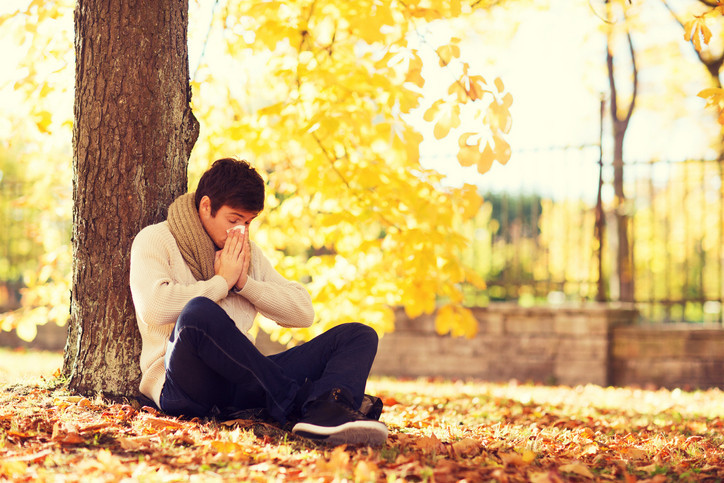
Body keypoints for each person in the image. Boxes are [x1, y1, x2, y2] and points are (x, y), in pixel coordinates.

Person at [129, 158, 387, 446]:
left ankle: (327, 413)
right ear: (206, 207)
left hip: (245, 384)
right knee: (198, 314)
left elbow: (303, 312)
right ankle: (306, 405)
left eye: (248, 222)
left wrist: (244, 284)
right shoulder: (156, 239)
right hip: (186, 387)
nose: (241, 231)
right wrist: (221, 283)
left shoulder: (246, 254)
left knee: (357, 336)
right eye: (234, 220)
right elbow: (153, 307)